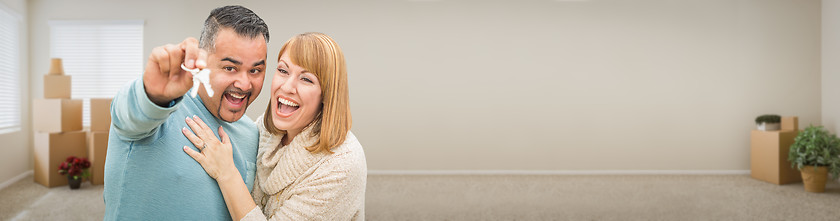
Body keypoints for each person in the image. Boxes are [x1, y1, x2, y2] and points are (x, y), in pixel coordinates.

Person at [104, 5, 269, 220]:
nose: (245, 84)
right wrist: (153, 95)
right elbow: (129, 115)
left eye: (255, 70)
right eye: (230, 68)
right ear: (202, 62)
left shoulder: (252, 133)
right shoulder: (159, 112)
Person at [181, 32, 367, 220]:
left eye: (306, 79)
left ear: (327, 95)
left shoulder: (342, 165)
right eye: (283, 71)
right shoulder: (265, 129)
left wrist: (226, 173)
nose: (286, 87)